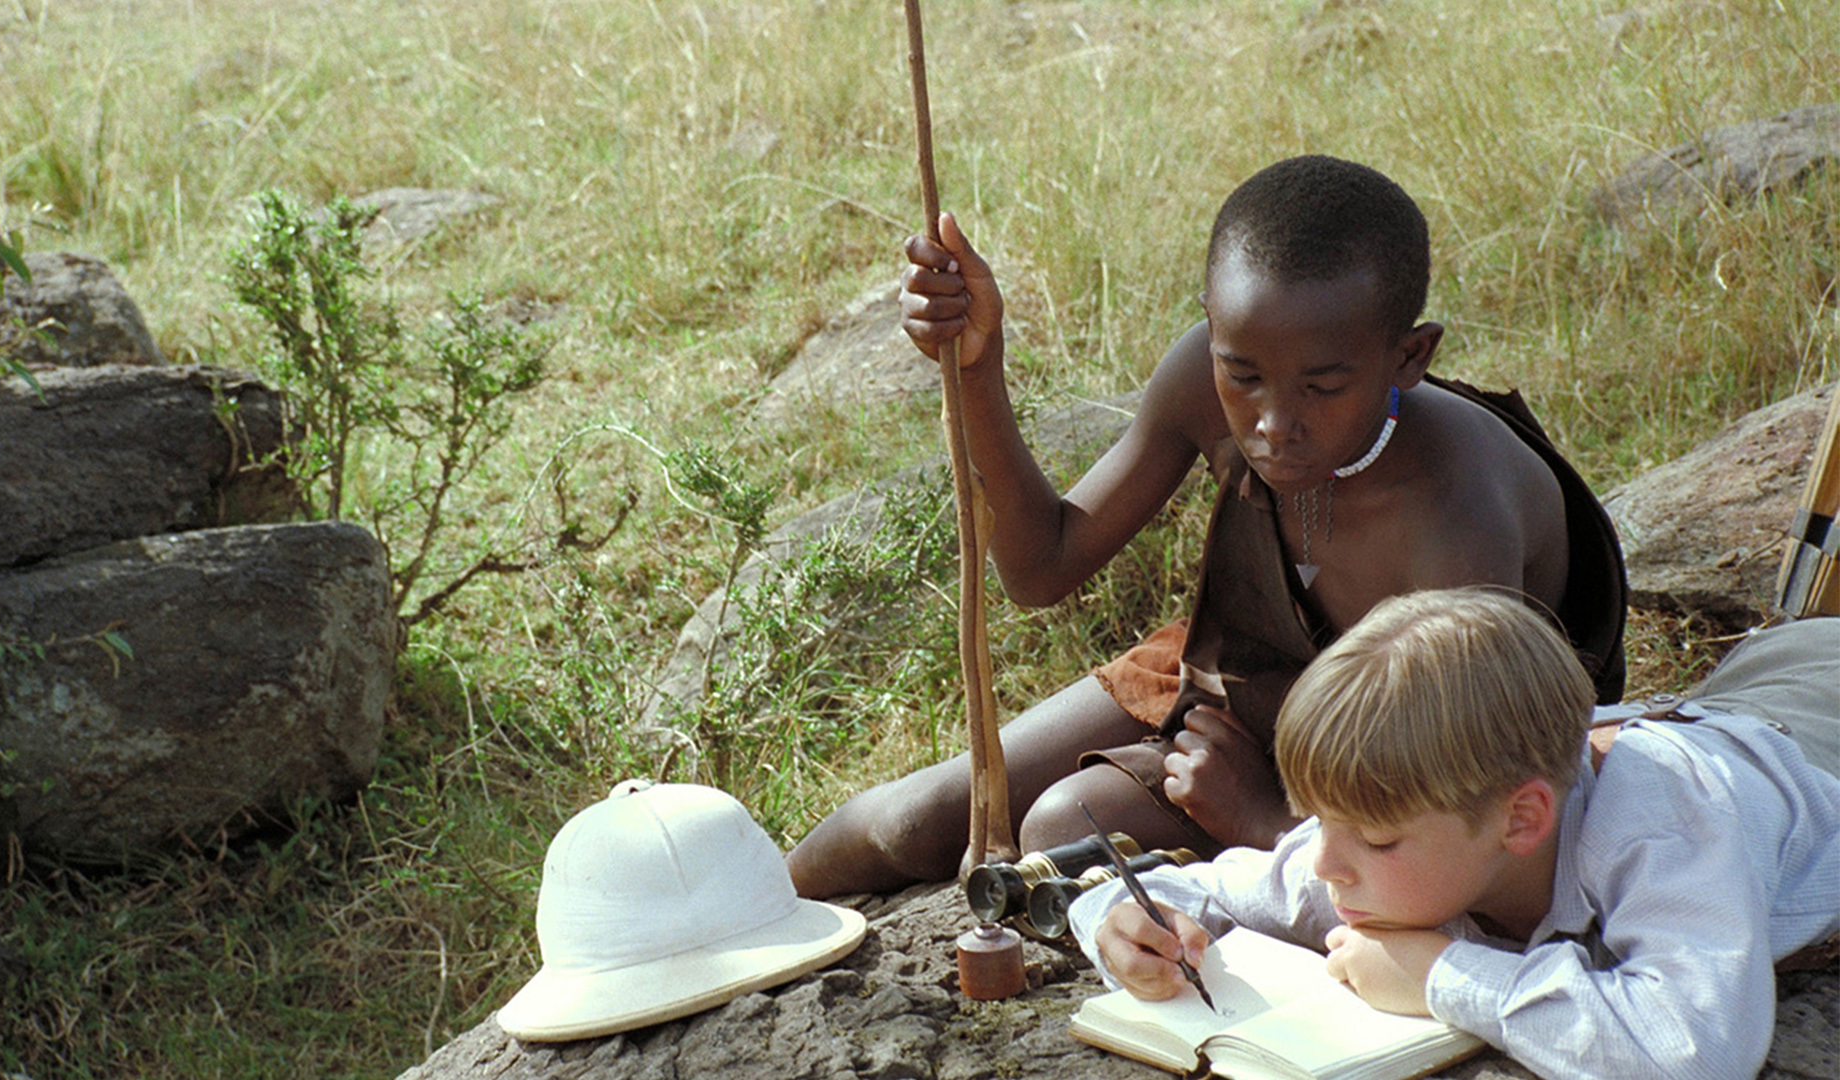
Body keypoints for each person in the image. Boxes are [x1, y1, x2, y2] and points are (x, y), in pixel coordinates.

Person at [785, 155, 1626, 900]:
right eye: (1242, 374)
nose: (1270, 424)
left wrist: (1264, 819)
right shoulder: (1203, 375)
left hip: (1420, 748)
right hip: (1248, 668)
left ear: (1410, 357)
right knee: (923, 817)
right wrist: (978, 366)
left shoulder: (1457, 510)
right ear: (1213, 333)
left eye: (1322, 388)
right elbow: (1040, 567)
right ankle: (726, 931)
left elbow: (1459, 802)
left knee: (1062, 829)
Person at [1073, 588, 1840, 1080]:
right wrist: (1123, 926)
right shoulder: (1367, 846)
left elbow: (1698, 1052)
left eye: (1374, 839)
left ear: (1522, 820)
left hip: (1815, 719)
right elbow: (1179, 891)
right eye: (1319, 820)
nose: (1327, 865)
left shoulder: (1664, 826)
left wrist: (1445, 975)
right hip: (1730, 697)